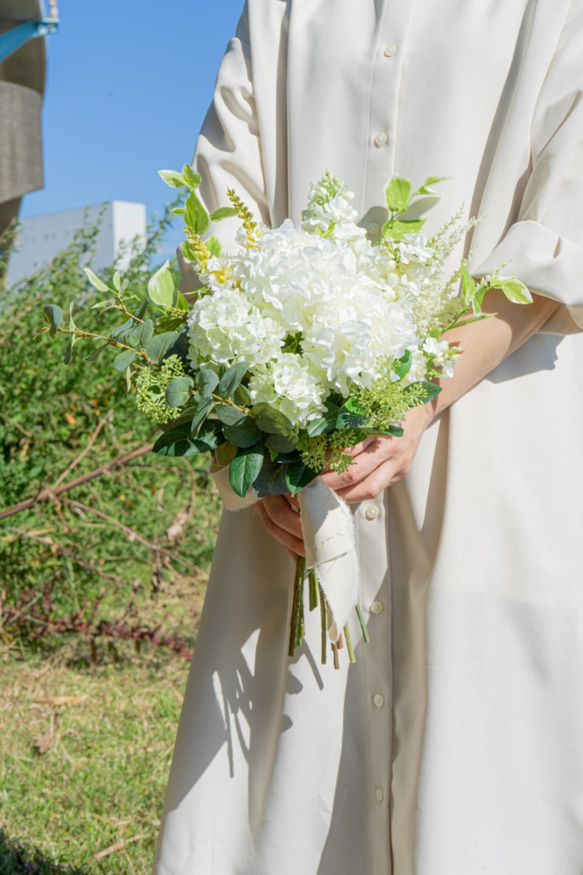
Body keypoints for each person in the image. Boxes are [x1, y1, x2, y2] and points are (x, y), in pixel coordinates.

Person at [154, 1, 583, 872]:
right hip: (301, 467)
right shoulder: (280, 10)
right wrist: (267, 435)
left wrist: (414, 396)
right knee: (303, 775)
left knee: (490, 782)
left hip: (493, 449)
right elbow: (221, 212)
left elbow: (563, 220)